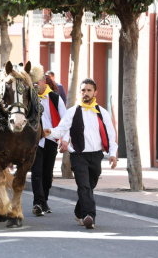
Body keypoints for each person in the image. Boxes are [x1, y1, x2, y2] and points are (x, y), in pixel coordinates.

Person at [43, 78, 118, 229]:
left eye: (89, 90)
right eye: (83, 90)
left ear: (95, 92)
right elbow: (61, 129)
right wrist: (50, 132)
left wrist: (112, 154)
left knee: (91, 184)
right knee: (83, 185)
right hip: (78, 155)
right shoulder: (72, 111)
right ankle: (89, 216)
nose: (86, 93)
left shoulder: (102, 112)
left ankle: (79, 211)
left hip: (96, 155)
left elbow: (111, 134)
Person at [31, 74, 66, 216]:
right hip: (34, 142)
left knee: (47, 175)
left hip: (51, 140)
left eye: (37, 81)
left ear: (44, 82)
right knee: (36, 173)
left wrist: (65, 140)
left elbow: (65, 121)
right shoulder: (29, 98)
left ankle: (44, 201)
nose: (34, 84)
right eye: (32, 82)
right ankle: (37, 203)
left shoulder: (55, 98)